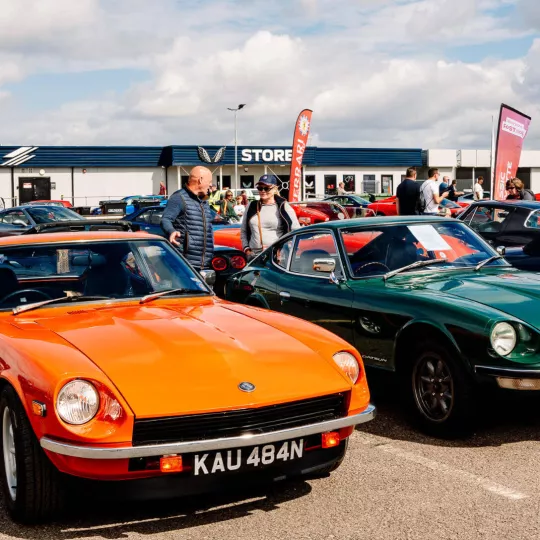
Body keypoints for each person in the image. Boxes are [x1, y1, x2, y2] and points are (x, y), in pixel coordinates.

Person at [160, 166, 214, 271]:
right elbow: (165, 219)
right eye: (210, 181)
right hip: (185, 264)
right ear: (201, 180)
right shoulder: (179, 197)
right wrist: (171, 231)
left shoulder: (204, 202)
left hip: (205, 264)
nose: (210, 184)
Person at [241, 174, 300, 260]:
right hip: (254, 257)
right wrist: (247, 249)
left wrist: (285, 249)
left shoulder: (283, 206)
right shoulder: (251, 206)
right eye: (260, 188)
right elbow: (243, 231)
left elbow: (295, 230)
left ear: (275, 188)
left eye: (267, 188)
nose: (263, 191)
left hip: (276, 257)